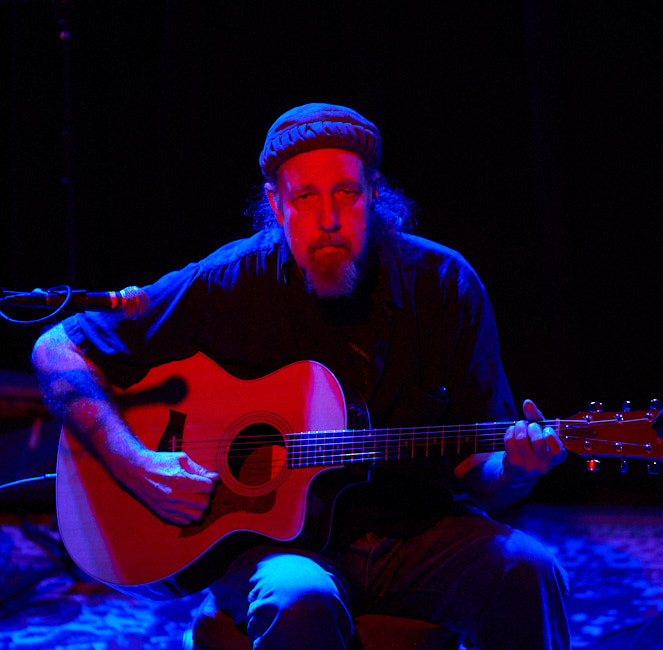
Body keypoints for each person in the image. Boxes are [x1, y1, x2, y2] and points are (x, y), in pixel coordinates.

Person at [31, 102, 571, 649]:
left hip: (418, 532)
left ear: (374, 193)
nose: (328, 218)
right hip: (279, 550)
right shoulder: (228, 283)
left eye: (346, 193)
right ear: (275, 204)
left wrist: (517, 469)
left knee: (528, 567)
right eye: (305, 197)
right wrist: (136, 463)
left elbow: (478, 468)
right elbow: (57, 347)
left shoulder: (445, 285)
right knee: (297, 597)